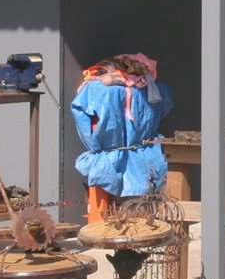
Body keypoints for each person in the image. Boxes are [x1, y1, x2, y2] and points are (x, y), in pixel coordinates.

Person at [70, 53, 173, 222]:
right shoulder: (153, 88)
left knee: (104, 212)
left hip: (107, 157)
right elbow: (164, 106)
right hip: (146, 154)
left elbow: (82, 117)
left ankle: (105, 227)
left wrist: (95, 145)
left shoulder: (95, 89)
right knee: (147, 207)